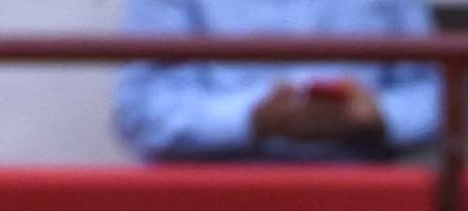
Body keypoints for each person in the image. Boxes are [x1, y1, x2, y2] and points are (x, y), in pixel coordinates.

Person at [115, 0, 445, 162]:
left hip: (355, 201)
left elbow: (433, 96)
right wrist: (254, 118)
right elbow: (141, 110)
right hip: (210, 206)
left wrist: (380, 115)